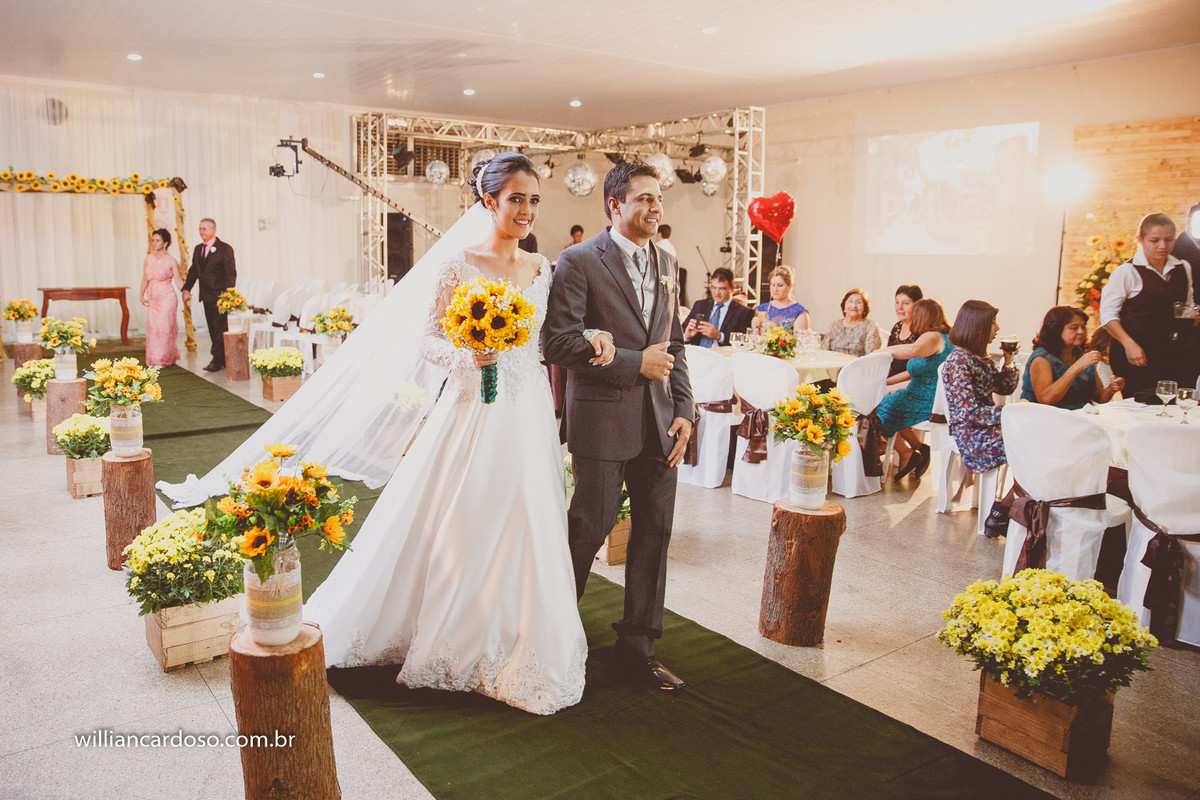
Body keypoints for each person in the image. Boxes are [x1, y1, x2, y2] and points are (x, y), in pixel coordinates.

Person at [302, 154, 614, 714]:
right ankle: (452, 632)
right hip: (472, 408)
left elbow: (546, 341)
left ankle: (520, 637)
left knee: (527, 516)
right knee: (465, 514)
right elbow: (428, 341)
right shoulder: (457, 265)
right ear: (489, 201)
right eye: (516, 198)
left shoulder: (541, 269)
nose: (526, 210)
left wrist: (590, 335)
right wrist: (468, 355)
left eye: (533, 199)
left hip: (528, 411)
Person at [543, 161, 694, 692]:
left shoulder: (668, 260)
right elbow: (558, 344)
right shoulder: (579, 261)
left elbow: (673, 345)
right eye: (645, 199)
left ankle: (637, 649)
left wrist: (684, 410)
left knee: (653, 536)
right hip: (604, 423)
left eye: (659, 199)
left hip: (660, 424)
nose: (656, 208)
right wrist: (635, 364)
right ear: (614, 205)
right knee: (586, 531)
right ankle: (551, 637)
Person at [943, 300, 1019, 537]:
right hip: (969, 431)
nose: (997, 329)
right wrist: (1007, 413)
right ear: (978, 327)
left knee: (1031, 444)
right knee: (1025, 448)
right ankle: (1003, 511)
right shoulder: (958, 362)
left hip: (985, 425)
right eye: (993, 323)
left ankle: (1004, 509)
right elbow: (968, 413)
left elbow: (1004, 388)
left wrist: (1008, 360)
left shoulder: (981, 358)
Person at [1100, 213, 1197, 395]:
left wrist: (1192, 316)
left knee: (1173, 407)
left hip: (1173, 353)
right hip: (1136, 355)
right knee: (1142, 405)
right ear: (1140, 239)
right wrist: (1129, 345)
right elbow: (1107, 316)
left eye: (1168, 240)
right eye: (1155, 240)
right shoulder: (1126, 272)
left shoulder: (1183, 267)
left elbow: (1188, 304)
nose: (1162, 246)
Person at [876, 299, 952, 479]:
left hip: (927, 399)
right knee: (885, 395)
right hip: (923, 393)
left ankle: (900, 451)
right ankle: (915, 450)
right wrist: (884, 382)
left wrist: (881, 351)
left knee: (879, 405)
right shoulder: (941, 337)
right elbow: (914, 373)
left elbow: (913, 351)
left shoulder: (933, 336)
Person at [1021, 306, 1124, 409]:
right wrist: (1076, 367)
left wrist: (1111, 388)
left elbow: (1099, 397)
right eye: (1074, 328)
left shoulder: (1081, 354)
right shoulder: (1041, 358)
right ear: (1056, 330)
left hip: (1079, 416)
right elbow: (1047, 400)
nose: (1081, 332)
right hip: (1045, 418)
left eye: (1083, 327)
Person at [181, 218, 236, 372]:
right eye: (200, 229)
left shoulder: (225, 249)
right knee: (212, 328)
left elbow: (230, 274)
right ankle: (222, 357)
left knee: (219, 328)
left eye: (204, 229)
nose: (201, 232)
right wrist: (186, 288)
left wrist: (229, 296)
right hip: (206, 296)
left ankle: (217, 360)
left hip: (220, 297)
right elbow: (194, 271)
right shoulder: (198, 249)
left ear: (213, 230)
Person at [682, 267, 755, 347]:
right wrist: (687, 336)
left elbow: (744, 343)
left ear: (732, 288)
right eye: (713, 288)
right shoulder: (700, 305)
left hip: (723, 356)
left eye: (722, 289)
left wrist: (719, 336)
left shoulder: (744, 312)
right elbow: (680, 334)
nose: (716, 293)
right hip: (698, 353)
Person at [140, 228, 181, 367]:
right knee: (153, 328)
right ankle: (154, 358)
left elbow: (178, 280)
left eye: (157, 240)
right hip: (153, 299)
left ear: (165, 243)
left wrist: (186, 291)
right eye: (153, 240)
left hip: (167, 299)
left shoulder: (171, 260)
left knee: (163, 328)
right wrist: (141, 294)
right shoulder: (148, 259)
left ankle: (162, 359)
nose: (154, 243)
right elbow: (145, 278)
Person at [749, 265, 809, 333]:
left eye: (780, 285)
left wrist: (777, 330)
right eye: (773, 285)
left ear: (789, 287)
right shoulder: (762, 309)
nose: (775, 289)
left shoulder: (799, 312)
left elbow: (800, 341)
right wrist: (755, 328)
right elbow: (756, 338)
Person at [823, 288, 882, 356]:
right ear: (844, 306)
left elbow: (871, 357)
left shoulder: (870, 326)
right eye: (850, 301)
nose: (854, 306)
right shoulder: (835, 324)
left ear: (865, 308)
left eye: (859, 302)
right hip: (833, 364)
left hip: (857, 365)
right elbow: (824, 351)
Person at [887, 285, 924, 379]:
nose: (899, 307)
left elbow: (916, 370)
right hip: (890, 379)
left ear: (916, 305)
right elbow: (888, 361)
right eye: (897, 302)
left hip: (910, 381)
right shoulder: (897, 327)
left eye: (905, 303)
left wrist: (887, 383)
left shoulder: (923, 331)